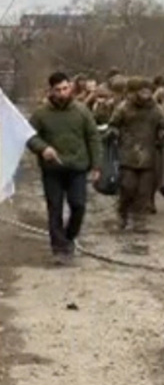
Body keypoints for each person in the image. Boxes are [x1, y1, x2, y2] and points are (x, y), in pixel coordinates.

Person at [27, 72, 101, 264]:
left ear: (71, 88)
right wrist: (43, 148)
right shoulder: (41, 114)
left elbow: (93, 137)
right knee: (55, 208)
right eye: (58, 90)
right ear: (51, 91)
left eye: (65, 88)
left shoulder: (82, 111)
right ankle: (59, 249)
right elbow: (29, 136)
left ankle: (69, 237)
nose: (62, 93)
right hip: (52, 169)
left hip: (77, 167)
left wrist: (96, 165)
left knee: (79, 205)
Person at [109, 77, 164, 233]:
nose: (146, 94)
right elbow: (114, 124)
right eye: (142, 91)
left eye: (148, 91)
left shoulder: (156, 109)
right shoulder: (124, 107)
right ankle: (122, 214)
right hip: (128, 153)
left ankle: (140, 220)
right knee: (128, 186)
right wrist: (114, 134)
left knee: (144, 191)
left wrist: (162, 135)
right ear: (136, 92)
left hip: (149, 153)